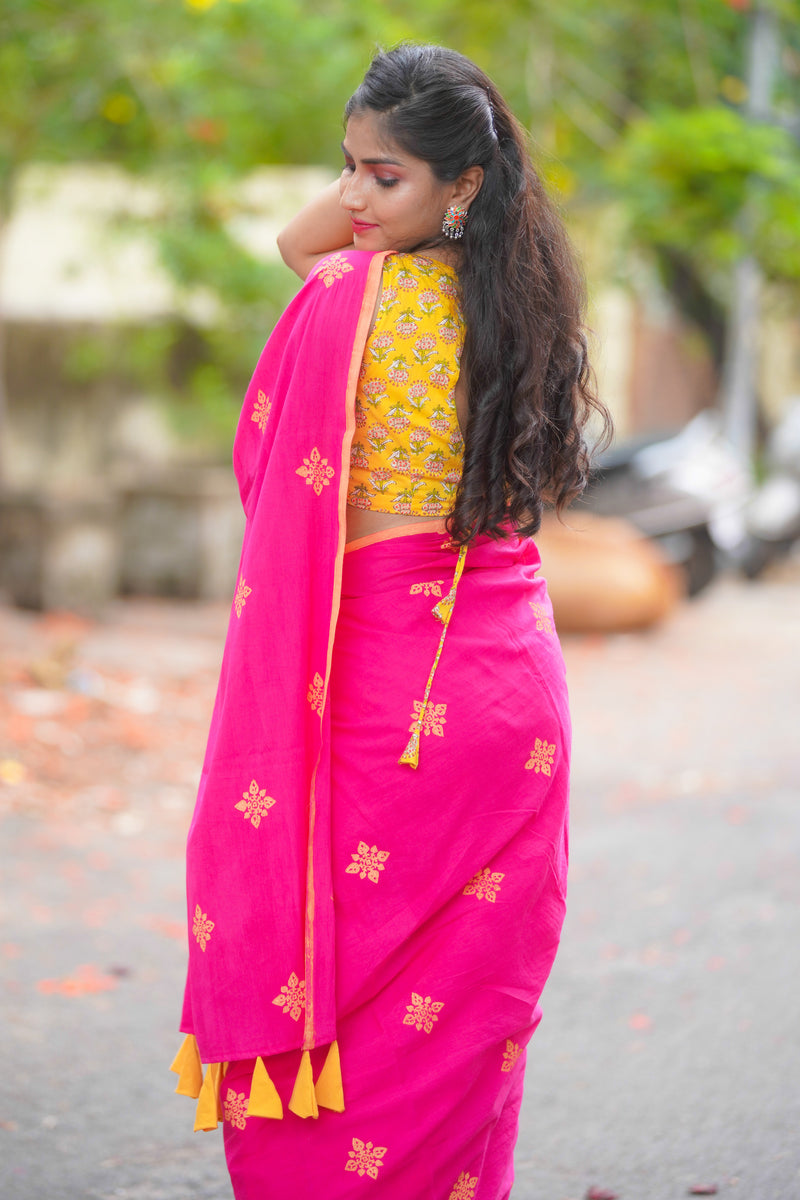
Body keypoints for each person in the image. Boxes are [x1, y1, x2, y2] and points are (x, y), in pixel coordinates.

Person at [170, 42, 610, 1200]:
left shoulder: (343, 300)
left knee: (347, 1019)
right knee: (455, 1033)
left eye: (383, 177)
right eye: (348, 170)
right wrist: (427, 181)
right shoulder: (528, 318)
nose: (354, 199)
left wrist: (347, 217)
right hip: (508, 704)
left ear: (459, 186)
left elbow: (294, 258)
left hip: (375, 709)